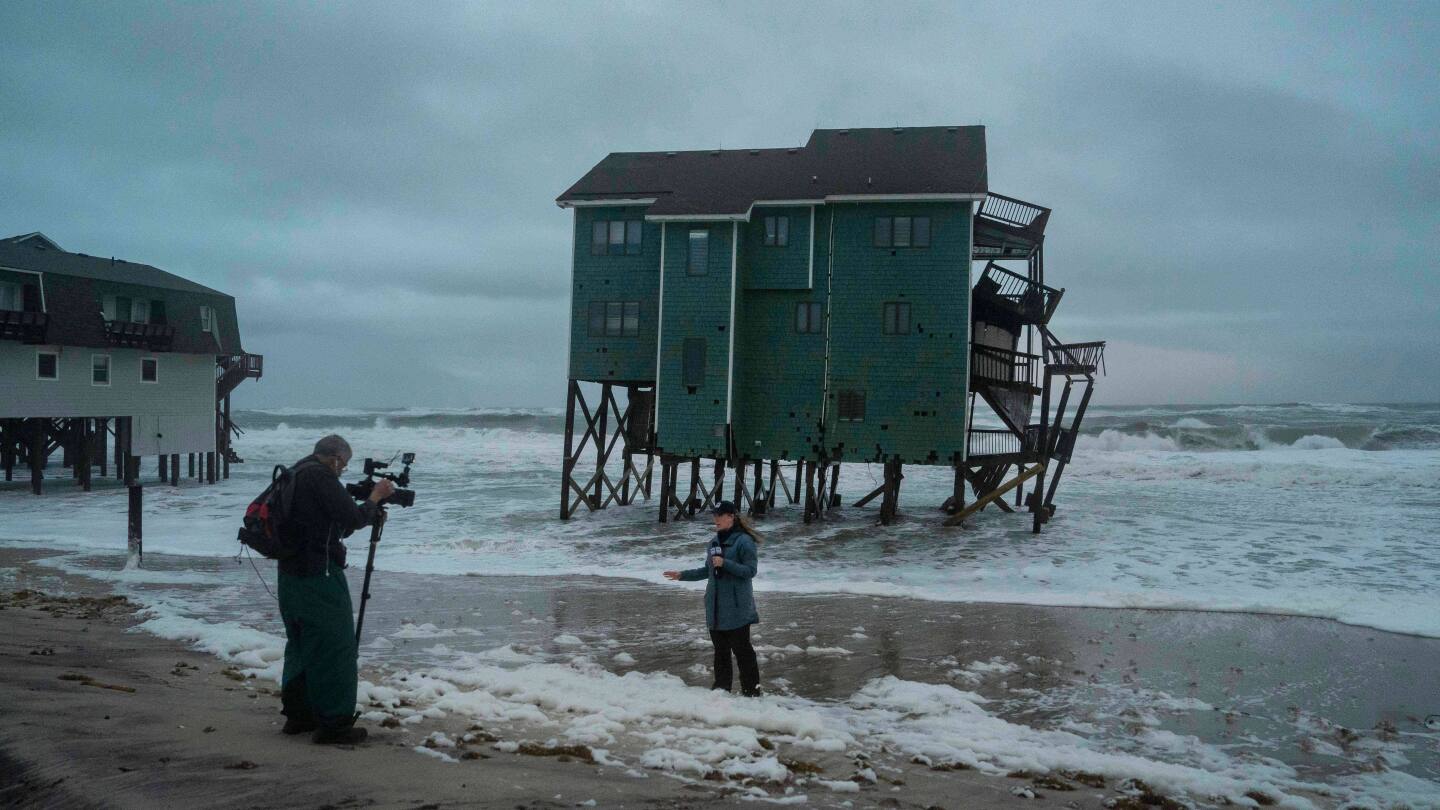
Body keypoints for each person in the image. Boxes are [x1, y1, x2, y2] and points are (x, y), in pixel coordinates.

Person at [277, 434, 394, 745]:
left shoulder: (295, 472)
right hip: (319, 572)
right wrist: (376, 497)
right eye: (343, 465)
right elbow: (353, 518)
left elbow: (328, 523)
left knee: (301, 643)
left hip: (289, 573)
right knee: (335, 646)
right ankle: (334, 724)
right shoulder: (321, 477)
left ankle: (298, 715)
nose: (342, 471)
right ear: (335, 459)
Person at [663, 501, 762, 696]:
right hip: (715, 608)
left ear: (731, 517)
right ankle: (721, 692)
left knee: (743, 652)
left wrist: (725, 563)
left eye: (720, 515)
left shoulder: (744, 542)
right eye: (714, 515)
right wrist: (682, 575)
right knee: (720, 653)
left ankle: (752, 694)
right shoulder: (713, 543)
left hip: (737, 609)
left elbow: (750, 571)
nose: (715, 519)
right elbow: (706, 570)